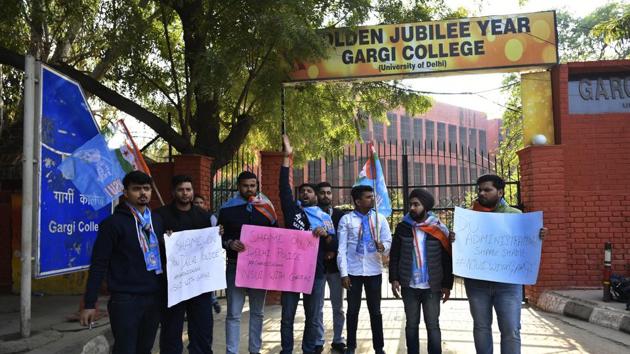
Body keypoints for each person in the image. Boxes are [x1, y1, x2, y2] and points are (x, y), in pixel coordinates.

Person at [452, 174, 547, 354]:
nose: (482, 193)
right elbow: (460, 245)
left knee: (511, 329)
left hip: (507, 284)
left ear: (501, 192)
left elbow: (526, 244)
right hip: (477, 283)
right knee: (481, 327)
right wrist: (455, 238)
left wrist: (537, 235)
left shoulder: (515, 216)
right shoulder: (469, 217)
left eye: (487, 190)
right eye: (480, 190)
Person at [80, 171, 164, 354]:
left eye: (146, 189)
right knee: (125, 349)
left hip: (154, 297)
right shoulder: (112, 224)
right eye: (136, 189)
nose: (142, 193)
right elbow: (98, 264)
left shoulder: (157, 221)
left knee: (145, 348)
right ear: (125, 192)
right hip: (126, 299)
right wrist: (89, 303)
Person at [279, 134, 336, 354]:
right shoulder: (292, 211)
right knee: (287, 317)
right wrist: (287, 156)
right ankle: (286, 350)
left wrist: (325, 236)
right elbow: (283, 187)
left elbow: (333, 244)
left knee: (313, 317)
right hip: (290, 272)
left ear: (316, 197)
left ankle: (308, 350)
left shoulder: (324, 217)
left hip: (316, 273)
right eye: (302, 191)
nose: (304, 193)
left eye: (309, 191)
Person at [218, 170, 278, 354]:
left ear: (257, 186)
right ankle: (232, 351)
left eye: (253, 185)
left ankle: (255, 350)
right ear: (238, 187)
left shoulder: (267, 208)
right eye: (245, 186)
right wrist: (229, 243)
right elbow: (218, 236)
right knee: (234, 313)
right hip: (235, 266)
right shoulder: (227, 208)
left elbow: (276, 237)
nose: (249, 189)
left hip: (260, 268)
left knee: (258, 312)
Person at [155, 175, 215, 354]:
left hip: (199, 282)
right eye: (181, 190)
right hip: (173, 282)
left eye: (188, 189)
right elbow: (154, 244)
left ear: (193, 191)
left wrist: (217, 233)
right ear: (173, 192)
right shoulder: (160, 215)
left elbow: (211, 245)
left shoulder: (204, 216)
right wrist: (164, 239)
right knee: (171, 329)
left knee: (202, 328)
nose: (185, 193)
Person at [389, 189, 453, 354]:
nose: (412, 208)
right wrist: (394, 278)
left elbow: (447, 258)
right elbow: (395, 254)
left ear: (426, 206)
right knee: (411, 324)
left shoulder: (438, 228)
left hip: (432, 287)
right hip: (409, 286)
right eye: (410, 204)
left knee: (433, 325)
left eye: (416, 204)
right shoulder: (403, 227)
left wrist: (447, 285)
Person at [337, 185, 392, 354]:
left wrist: (383, 247)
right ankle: (351, 346)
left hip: (373, 271)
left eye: (372, 196)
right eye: (368, 197)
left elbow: (388, 241)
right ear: (358, 201)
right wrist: (344, 274)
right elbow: (342, 249)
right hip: (353, 272)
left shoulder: (379, 219)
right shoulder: (346, 220)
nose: (372, 199)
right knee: (352, 311)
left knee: (375, 311)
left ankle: (379, 347)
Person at [314, 182, 347, 353]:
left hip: (335, 268)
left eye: (328, 192)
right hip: (317, 266)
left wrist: (333, 251)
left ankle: (338, 339)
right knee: (317, 306)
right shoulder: (311, 214)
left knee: (338, 306)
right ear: (317, 195)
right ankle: (318, 340)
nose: (326, 196)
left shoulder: (340, 215)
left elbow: (344, 238)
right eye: (322, 193)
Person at [192, 194, 221, 314]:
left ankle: (213, 300)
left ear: (205, 204)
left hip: (207, 256)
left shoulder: (210, 218)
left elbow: (216, 233)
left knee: (207, 281)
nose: (198, 205)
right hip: (192, 258)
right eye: (196, 203)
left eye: (200, 203)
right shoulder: (189, 217)